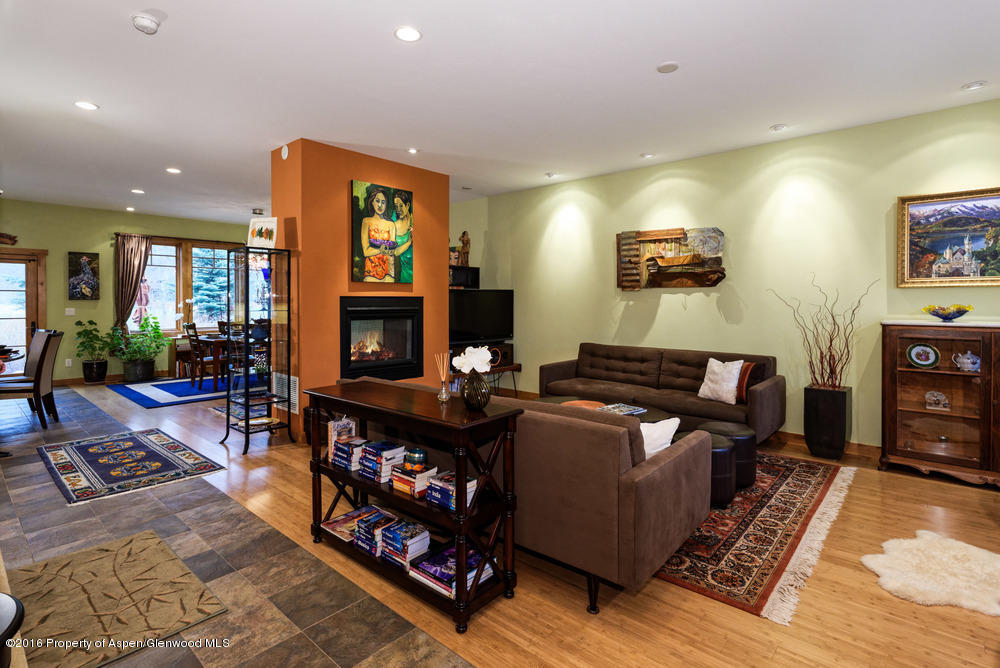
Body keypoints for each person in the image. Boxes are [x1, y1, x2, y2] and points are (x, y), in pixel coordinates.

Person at [360, 188, 396, 282]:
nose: (380, 205)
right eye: (377, 201)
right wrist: (382, 250)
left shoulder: (391, 225)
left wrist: (388, 252)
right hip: (371, 271)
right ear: (372, 202)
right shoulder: (366, 222)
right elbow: (366, 252)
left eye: (383, 202)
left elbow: (392, 251)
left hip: (388, 272)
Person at [393, 191, 414, 283]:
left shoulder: (415, 220)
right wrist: (409, 242)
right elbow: (396, 252)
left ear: (408, 205)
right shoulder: (395, 225)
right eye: (396, 206)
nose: (398, 209)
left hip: (421, 271)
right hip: (406, 273)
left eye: (401, 205)